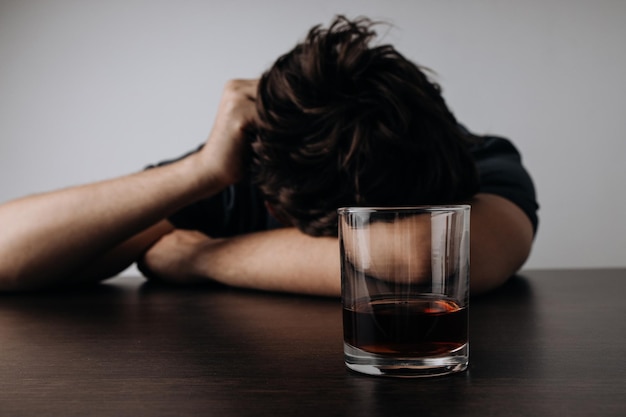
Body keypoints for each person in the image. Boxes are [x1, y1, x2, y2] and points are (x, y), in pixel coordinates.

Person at [0, 16, 538, 296]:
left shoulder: (481, 162)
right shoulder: (241, 170)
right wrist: (199, 172)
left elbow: (428, 258)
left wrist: (201, 259)